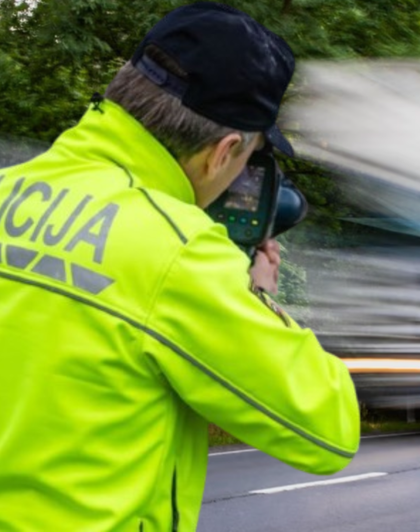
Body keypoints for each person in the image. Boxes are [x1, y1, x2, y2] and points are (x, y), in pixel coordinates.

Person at [0, 2, 360, 531]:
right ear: (225, 151)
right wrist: (257, 298)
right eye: (248, 159)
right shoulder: (180, 251)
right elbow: (329, 430)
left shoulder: (8, 188)